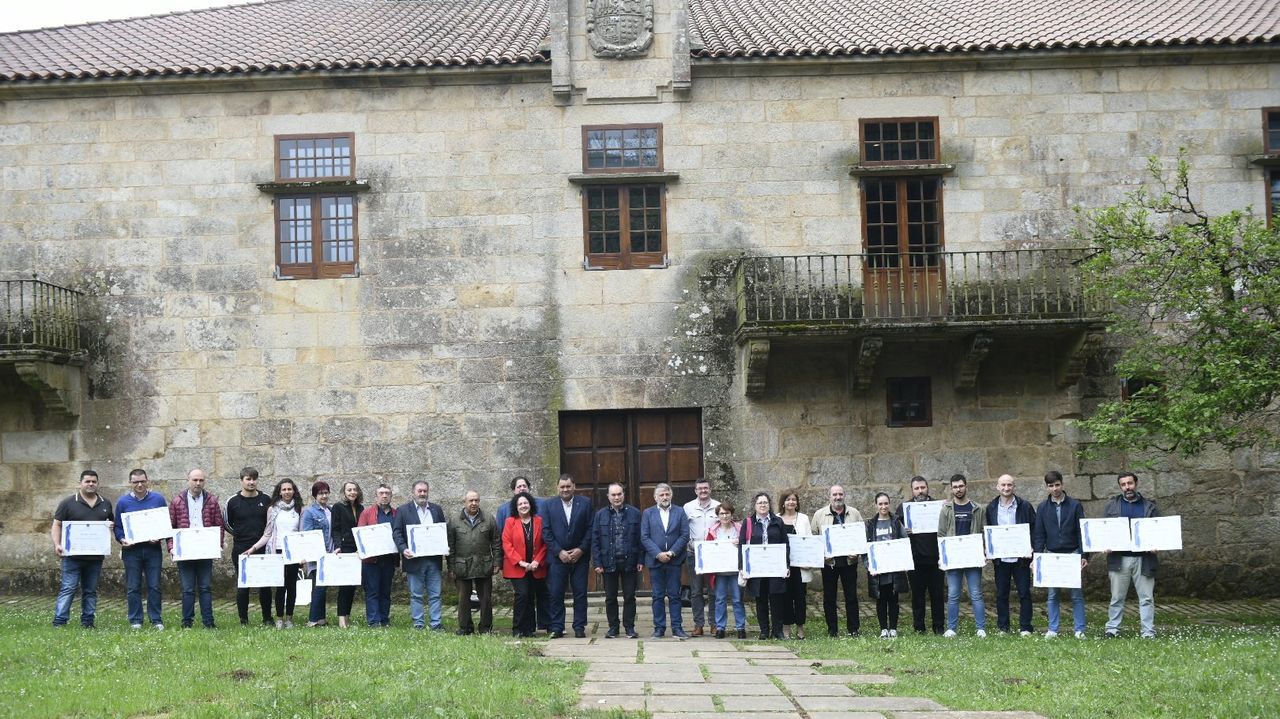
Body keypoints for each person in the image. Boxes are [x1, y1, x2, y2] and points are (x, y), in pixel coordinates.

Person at [51, 470, 114, 628]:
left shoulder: (105, 503)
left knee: (90, 591)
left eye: (94, 481)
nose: (91, 484)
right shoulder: (68, 503)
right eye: (87, 481)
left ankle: (88, 622)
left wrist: (111, 526)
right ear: (80, 483)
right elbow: (57, 524)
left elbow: (110, 523)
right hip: (72, 556)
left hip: (95, 558)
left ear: (98, 483)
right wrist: (57, 544)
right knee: (68, 588)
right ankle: (59, 621)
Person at [1032, 470, 1087, 639]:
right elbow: (1039, 534)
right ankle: (1053, 628)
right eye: (1051, 486)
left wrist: (1084, 555)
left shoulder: (1075, 505)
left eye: (1057, 485)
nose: (1054, 488)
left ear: (1062, 484)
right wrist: (1037, 558)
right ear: (1047, 487)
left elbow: (1081, 532)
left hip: (1072, 554)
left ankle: (1079, 629)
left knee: (1076, 595)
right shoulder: (1042, 508)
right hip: (1052, 555)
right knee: (1052, 595)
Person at [1104, 471, 1159, 639]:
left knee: (1146, 598)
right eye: (1123, 484)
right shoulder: (1112, 506)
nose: (1127, 487)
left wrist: (1157, 545)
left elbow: (1158, 531)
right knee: (1117, 597)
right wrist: (1105, 544)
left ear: (1136, 484)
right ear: (1120, 486)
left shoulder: (1150, 506)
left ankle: (1148, 632)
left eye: (1130, 483)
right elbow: (1104, 530)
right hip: (1119, 559)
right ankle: (1112, 630)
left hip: (1144, 559)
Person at [168, 468, 224, 629]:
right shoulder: (177, 501)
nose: (198, 483)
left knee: (205, 587)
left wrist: (217, 545)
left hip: (205, 551)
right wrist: (172, 547)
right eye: (195, 480)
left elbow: (218, 525)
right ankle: (187, 623)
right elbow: (170, 527)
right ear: (188, 480)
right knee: (187, 589)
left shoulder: (211, 500)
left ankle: (209, 622)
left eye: (201, 480)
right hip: (185, 551)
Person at [244, 478, 303, 628]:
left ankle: (289, 618)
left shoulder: (300, 509)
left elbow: (302, 534)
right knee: (280, 586)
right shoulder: (272, 509)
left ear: (294, 491)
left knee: (292, 586)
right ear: (279, 492)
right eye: (284, 489)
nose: (287, 492)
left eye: (289, 489)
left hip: (294, 553)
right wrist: (253, 548)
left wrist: (304, 555)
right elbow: (267, 534)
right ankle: (279, 618)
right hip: (277, 551)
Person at [494, 475, 549, 631]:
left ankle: (530, 629)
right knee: (522, 595)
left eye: (526, 503)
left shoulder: (539, 521)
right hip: (517, 567)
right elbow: (507, 544)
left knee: (531, 596)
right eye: (520, 504)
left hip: (536, 566)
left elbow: (544, 544)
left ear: (530, 504)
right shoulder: (510, 521)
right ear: (516, 507)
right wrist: (521, 562)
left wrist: (537, 561)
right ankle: (518, 628)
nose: (523, 506)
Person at [541, 474, 592, 638]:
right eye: (562, 487)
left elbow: (591, 529)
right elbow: (546, 531)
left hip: (580, 557)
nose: (565, 489)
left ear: (574, 486)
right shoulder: (549, 505)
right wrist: (559, 551)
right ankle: (557, 626)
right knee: (556, 593)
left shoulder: (585, 503)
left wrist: (581, 549)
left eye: (568, 486)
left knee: (580, 593)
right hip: (557, 558)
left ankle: (579, 626)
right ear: (557, 488)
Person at [984, 473, 1036, 636]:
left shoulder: (1025, 506)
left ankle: (1026, 627)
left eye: (1009, 485)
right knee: (1001, 594)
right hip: (1001, 559)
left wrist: (1032, 548)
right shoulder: (991, 508)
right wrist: (989, 549)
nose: (1006, 488)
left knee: (1024, 593)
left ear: (1014, 487)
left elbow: (1033, 529)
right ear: (997, 487)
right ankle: (1003, 627)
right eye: (1003, 485)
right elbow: (989, 532)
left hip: (1021, 558)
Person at [392, 480, 447, 631]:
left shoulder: (436, 509)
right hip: (413, 560)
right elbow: (396, 533)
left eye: (425, 491)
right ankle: (419, 624)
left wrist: (444, 546)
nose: (422, 494)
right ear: (413, 493)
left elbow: (442, 532)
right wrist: (403, 549)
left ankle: (436, 624)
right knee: (416, 595)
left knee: (435, 594)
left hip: (433, 560)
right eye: (419, 491)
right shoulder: (403, 510)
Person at [114, 468, 166, 629]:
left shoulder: (158, 499)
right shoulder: (123, 502)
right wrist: (122, 539)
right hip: (132, 551)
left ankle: (156, 619)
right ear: (130, 483)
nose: (140, 485)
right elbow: (118, 527)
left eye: (142, 481)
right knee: (133, 586)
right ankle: (135, 620)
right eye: (136, 482)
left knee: (154, 585)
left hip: (153, 550)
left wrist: (159, 536)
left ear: (147, 480)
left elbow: (164, 524)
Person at [811, 484, 864, 637]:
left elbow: (861, 535)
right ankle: (832, 629)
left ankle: (853, 629)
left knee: (851, 596)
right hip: (829, 563)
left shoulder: (854, 513)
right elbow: (814, 538)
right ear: (829, 496)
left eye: (840, 494)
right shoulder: (820, 515)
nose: (838, 497)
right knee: (829, 597)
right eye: (834, 494)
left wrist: (857, 553)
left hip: (849, 562)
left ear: (844, 495)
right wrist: (822, 554)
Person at [937, 473, 986, 638]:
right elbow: (941, 534)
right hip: (953, 558)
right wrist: (942, 556)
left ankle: (981, 628)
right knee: (953, 594)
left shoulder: (977, 508)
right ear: (951, 489)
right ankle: (951, 628)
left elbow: (983, 532)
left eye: (961, 486)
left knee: (976, 593)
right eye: (955, 487)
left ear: (966, 486)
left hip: (973, 557)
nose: (958, 489)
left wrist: (984, 551)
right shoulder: (946, 509)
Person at [591, 483, 643, 639]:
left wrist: (641, 559)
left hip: (630, 561)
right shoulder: (600, 515)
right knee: (610, 597)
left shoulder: (635, 513)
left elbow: (641, 538)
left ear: (623, 495)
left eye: (619, 494)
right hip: (608, 562)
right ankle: (613, 627)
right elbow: (595, 540)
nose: (616, 497)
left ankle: (629, 627)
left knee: (629, 596)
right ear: (608, 497)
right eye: (613, 495)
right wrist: (597, 562)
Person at [447, 490, 501, 635]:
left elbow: (496, 542)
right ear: (464, 502)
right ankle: (465, 628)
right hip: (462, 566)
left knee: (486, 599)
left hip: (484, 565)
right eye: (470, 501)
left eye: (476, 500)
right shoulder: (454, 521)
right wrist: (451, 567)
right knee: (463, 599)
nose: (474, 503)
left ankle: (485, 628)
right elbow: (450, 546)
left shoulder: (489, 518)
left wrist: (497, 562)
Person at [896, 476, 944, 635]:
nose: (920, 491)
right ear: (912, 490)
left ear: (927, 488)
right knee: (917, 596)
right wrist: (904, 531)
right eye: (917, 488)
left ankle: (938, 627)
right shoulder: (904, 508)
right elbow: (896, 532)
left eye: (923, 487)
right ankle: (919, 627)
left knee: (937, 595)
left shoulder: (939, 506)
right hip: (915, 560)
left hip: (936, 559)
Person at [641, 483, 690, 639]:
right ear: (655, 497)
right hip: (655, 561)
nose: (664, 497)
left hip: (674, 560)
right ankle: (659, 628)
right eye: (661, 495)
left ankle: (677, 628)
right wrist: (658, 554)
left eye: (667, 494)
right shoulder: (648, 513)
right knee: (657, 596)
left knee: (675, 595)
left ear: (671, 495)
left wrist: (671, 552)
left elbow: (684, 535)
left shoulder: (680, 512)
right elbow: (644, 537)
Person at [225, 467, 273, 627]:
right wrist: (239, 534)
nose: (251, 482)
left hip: (262, 547)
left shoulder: (266, 499)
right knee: (243, 585)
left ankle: (267, 618)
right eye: (248, 479)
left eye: (254, 479)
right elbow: (226, 523)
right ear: (241, 481)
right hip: (241, 548)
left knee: (265, 585)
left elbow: (270, 523)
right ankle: (243, 620)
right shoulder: (232, 501)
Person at [741, 492, 790, 640]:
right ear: (755, 506)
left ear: (769, 505)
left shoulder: (778, 522)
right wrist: (742, 567)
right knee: (760, 599)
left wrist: (786, 565)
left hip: (775, 567)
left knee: (776, 598)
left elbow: (785, 544)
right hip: (757, 568)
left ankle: (777, 630)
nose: (763, 505)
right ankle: (764, 630)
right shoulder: (748, 523)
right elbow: (742, 546)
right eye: (760, 503)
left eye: (765, 503)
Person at [867, 492, 909, 638]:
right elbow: (866, 548)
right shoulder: (871, 524)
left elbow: (905, 542)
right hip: (878, 570)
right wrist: (870, 566)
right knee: (881, 599)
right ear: (876, 505)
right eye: (880, 504)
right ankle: (883, 628)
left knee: (893, 599)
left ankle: (893, 628)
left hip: (894, 568)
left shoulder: (896, 522)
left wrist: (904, 562)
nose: (883, 506)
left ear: (889, 504)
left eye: (886, 503)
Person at [682, 478, 720, 636]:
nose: (703, 491)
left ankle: (714, 623)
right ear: (695, 491)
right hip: (694, 553)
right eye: (700, 489)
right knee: (696, 590)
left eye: (706, 488)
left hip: (713, 553)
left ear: (710, 489)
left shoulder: (718, 506)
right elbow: (684, 529)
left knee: (713, 590)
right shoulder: (688, 507)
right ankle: (698, 624)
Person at [357, 483, 398, 627]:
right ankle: (374, 621)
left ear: (391, 496)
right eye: (381, 493)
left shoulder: (396, 514)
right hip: (371, 560)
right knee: (372, 591)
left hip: (388, 559)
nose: (384, 495)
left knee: (385, 591)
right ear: (376, 496)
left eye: (387, 493)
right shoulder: (367, 513)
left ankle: (385, 619)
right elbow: (360, 534)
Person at [707, 501, 747, 639]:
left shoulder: (740, 529)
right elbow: (708, 550)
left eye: (727, 513)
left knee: (737, 600)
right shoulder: (713, 531)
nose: (724, 516)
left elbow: (747, 545)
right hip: (720, 572)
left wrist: (740, 542)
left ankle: (741, 627)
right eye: (721, 513)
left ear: (731, 514)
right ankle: (720, 627)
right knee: (720, 599)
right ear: (718, 516)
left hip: (736, 570)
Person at [777, 488, 811, 639]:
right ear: (783, 503)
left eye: (793, 500)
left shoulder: (803, 518)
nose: (791, 502)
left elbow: (809, 541)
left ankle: (800, 627)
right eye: (788, 499)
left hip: (800, 566)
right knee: (785, 597)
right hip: (783, 566)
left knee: (800, 597)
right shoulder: (776, 519)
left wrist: (808, 561)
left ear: (797, 503)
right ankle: (786, 627)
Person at [331, 481, 364, 629]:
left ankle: (347, 617)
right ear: (344, 492)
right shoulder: (338, 507)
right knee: (344, 586)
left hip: (357, 551)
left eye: (354, 490)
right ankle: (341, 620)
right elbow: (335, 529)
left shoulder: (360, 508)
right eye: (349, 490)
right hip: (344, 549)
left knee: (352, 586)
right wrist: (338, 546)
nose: (352, 492)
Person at [302, 481, 335, 627]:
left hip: (330, 553)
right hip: (316, 555)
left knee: (323, 585)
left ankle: (321, 619)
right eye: (321, 493)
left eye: (326, 492)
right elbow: (307, 534)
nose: (324, 496)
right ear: (315, 495)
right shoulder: (310, 512)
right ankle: (313, 619)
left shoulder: (331, 510)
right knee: (318, 586)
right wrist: (313, 554)